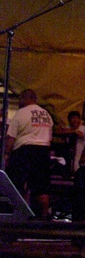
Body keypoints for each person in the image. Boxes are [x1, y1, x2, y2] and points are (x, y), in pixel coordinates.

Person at [3, 89, 53, 219]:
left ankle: (19, 217)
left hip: (25, 151)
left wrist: (7, 155)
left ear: (24, 98)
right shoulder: (46, 114)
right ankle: (43, 219)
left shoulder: (21, 113)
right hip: (43, 151)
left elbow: (11, 138)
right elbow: (50, 136)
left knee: (17, 185)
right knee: (42, 188)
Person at [52, 110, 85, 174]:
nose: (74, 120)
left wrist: (68, 131)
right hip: (69, 155)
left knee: (77, 169)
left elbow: (79, 134)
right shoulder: (68, 128)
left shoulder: (83, 128)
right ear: (69, 120)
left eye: (76, 118)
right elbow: (56, 132)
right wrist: (71, 131)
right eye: (72, 118)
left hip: (80, 155)